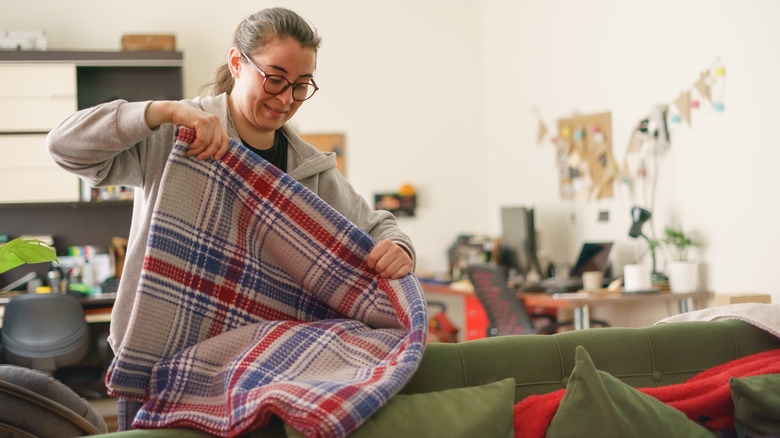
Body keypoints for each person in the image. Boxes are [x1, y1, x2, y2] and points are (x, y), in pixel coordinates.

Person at [46, 7, 415, 431]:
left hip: (259, 376)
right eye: (274, 79)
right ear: (238, 63)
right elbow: (63, 146)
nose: (285, 99)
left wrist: (399, 248)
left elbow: (378, 227)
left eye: (300, 86)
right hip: (164, 367)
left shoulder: (311, 169)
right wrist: (162, 111)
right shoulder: (176, 135)